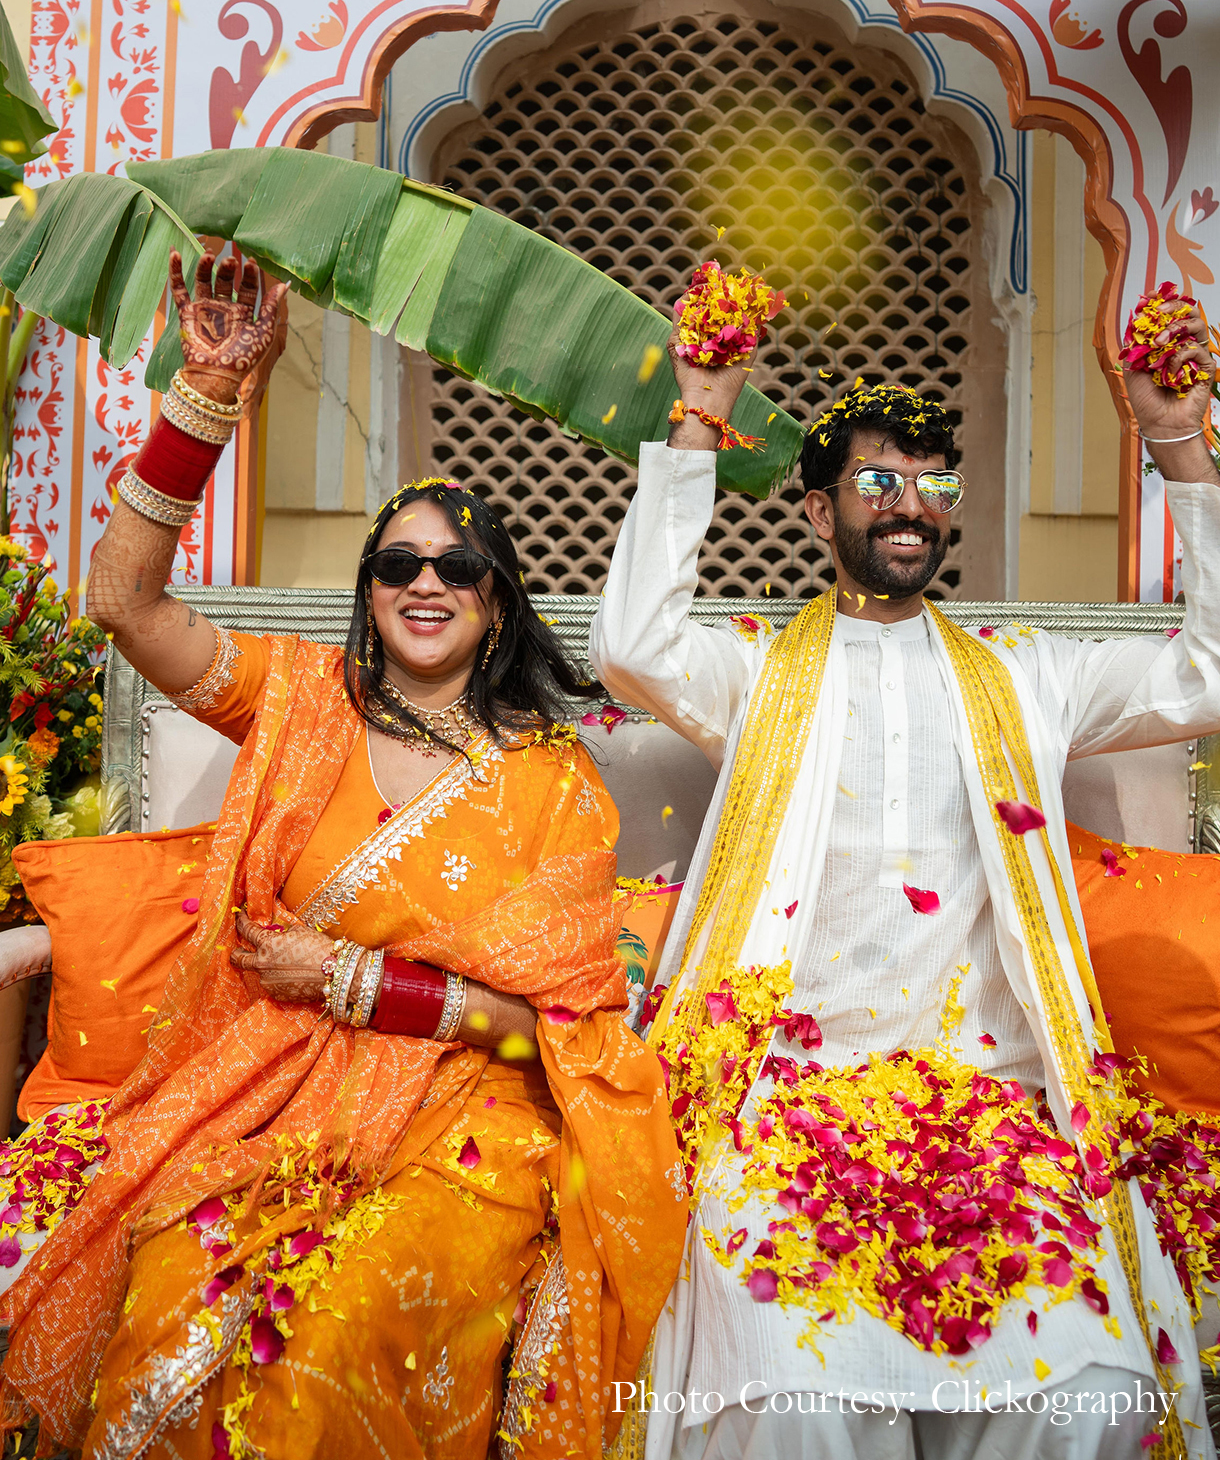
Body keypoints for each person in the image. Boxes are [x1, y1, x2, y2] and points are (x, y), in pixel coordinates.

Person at [0, 252, 687, 1460]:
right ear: (367, 592)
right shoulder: (299, 701)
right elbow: (119, 599)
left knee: (335, 1332)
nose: (426, 584)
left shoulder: (550, 782)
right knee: (174, 1298)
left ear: (497, 599)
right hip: (265, 1091)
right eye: (397, 566)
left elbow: (559, 1030)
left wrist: (360, 982)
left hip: (469, 1115)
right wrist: (203, 402)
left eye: (457, 568)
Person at [589, 290, 1220, 1460]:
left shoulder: (1029, 675)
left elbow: (1209, 671)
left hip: (994, 1111)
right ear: (818, 507)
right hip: (781, 1114)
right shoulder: (756, 675)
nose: (910, 507)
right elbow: (629, 648)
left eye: (931, 485)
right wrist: (696, 419)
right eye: (878, 482)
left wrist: (1177, 443)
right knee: (789, 1406)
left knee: (1087, 1399)